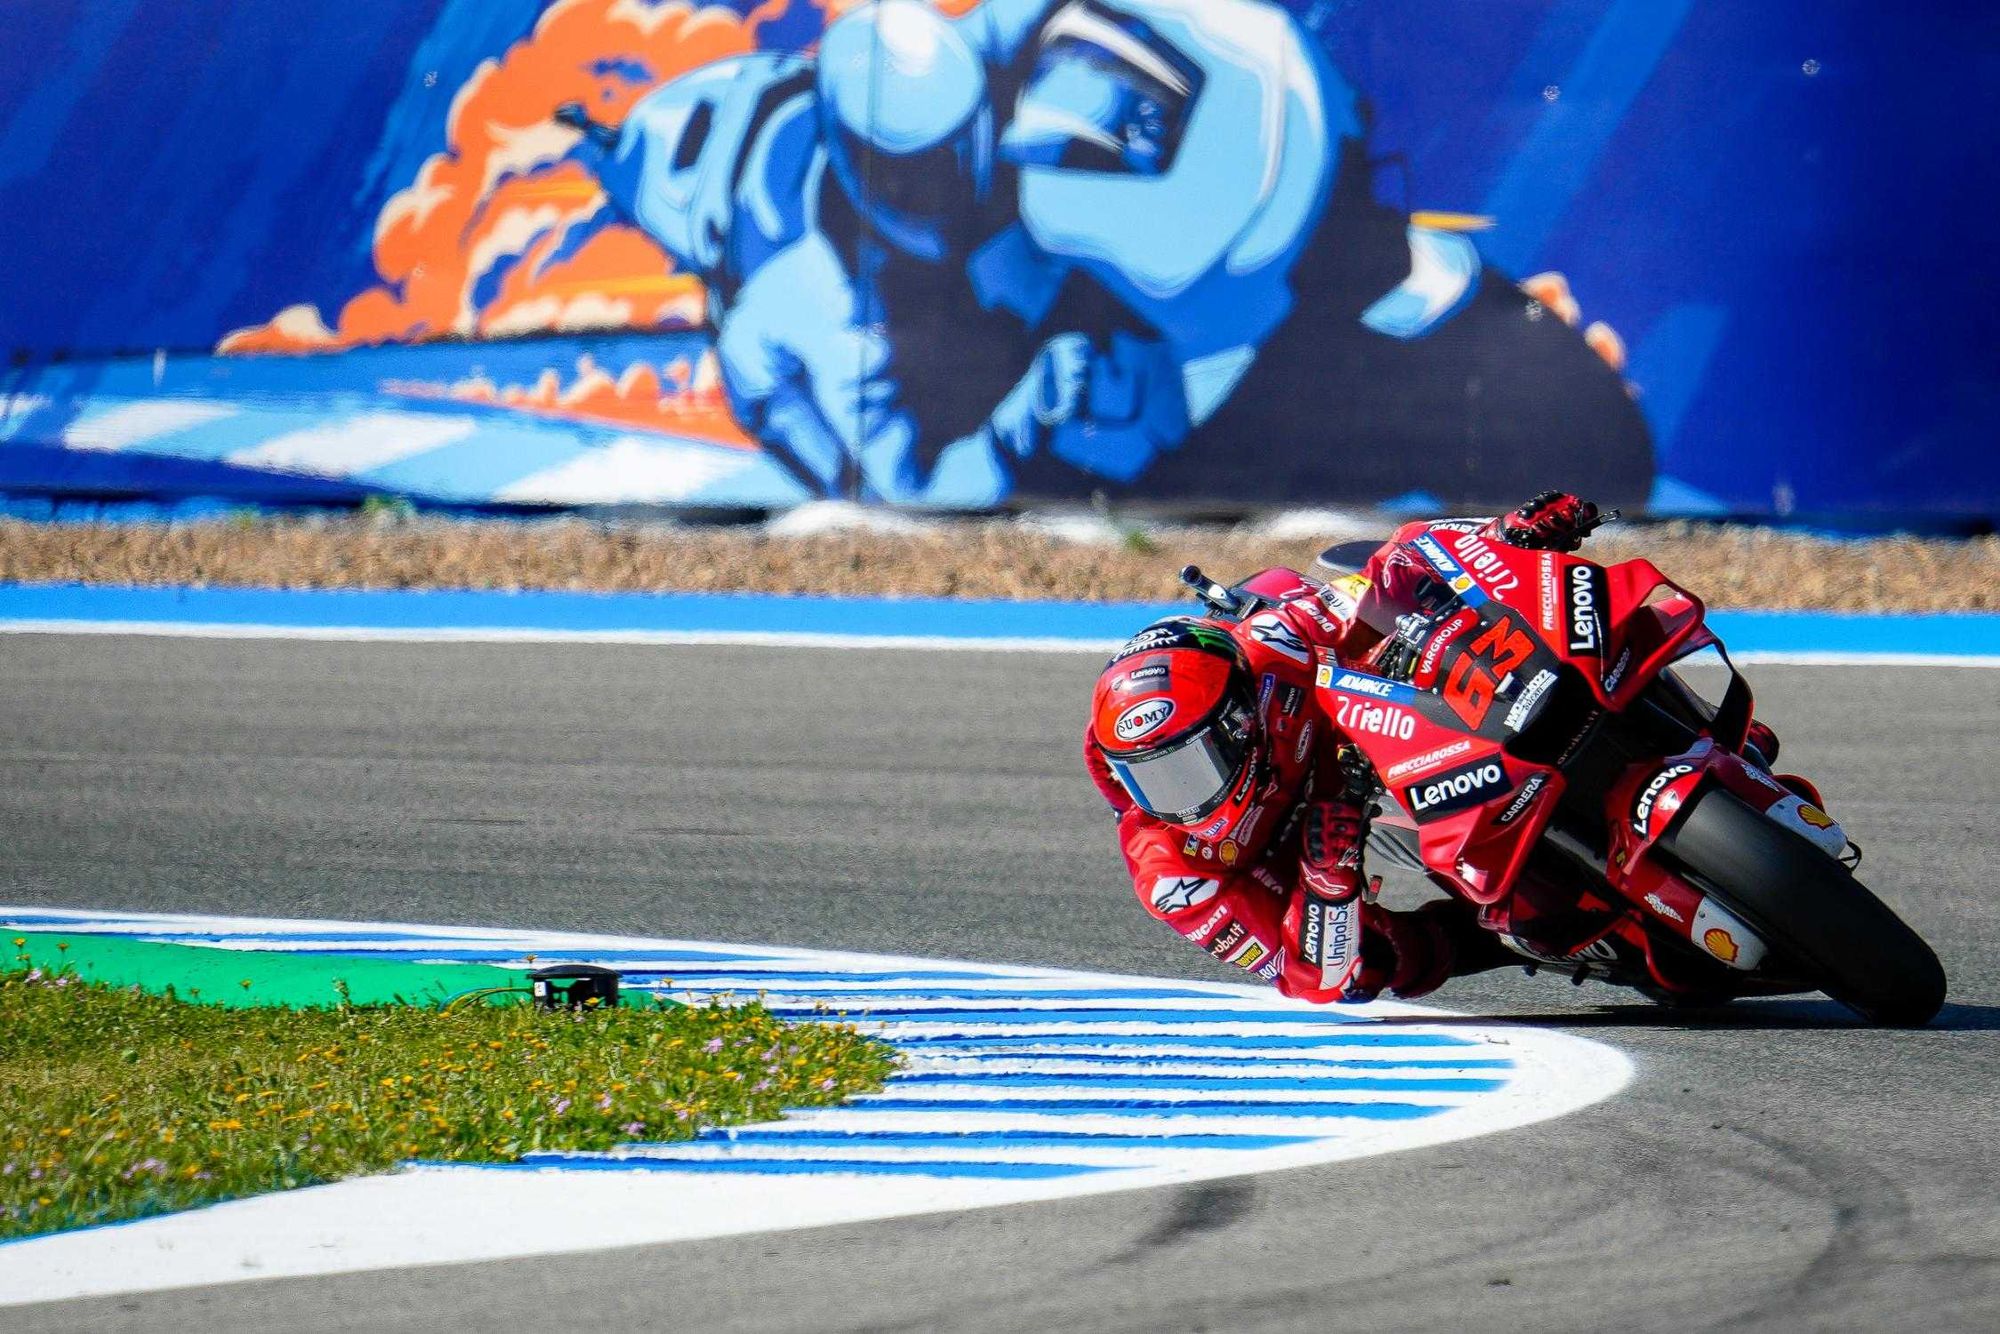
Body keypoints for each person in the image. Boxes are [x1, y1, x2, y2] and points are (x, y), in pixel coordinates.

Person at [1084, 493, 1634, 1002]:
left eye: (1190, 767)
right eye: (1151, 779)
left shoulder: (1276, 643)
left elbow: (1399, 565)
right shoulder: (1172, 875)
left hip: (1373, 731)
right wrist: (1326, 879)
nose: (1180, 801)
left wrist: (1504, 533)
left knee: (1433, 614)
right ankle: (1500, 941)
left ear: (1239, 720)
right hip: (1318, 843)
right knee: (1372, 967)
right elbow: (1309, 980)